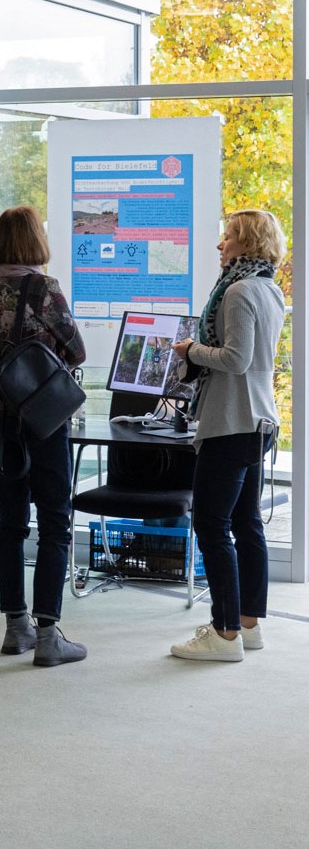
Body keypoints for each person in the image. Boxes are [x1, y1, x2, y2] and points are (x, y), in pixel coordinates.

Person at [0, 205, 87, 667]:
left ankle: (15, 628)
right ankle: (49, 635)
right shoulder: (44, 288)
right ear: (35, 241)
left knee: (10, 524)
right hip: (43, 419)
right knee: (55, 521)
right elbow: (77, 350)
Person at [168, 209, 287, 662]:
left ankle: (224, 633)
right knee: (245, 523)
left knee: (212, 525)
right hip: (259, 422)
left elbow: (235, 359)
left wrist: (189, 350)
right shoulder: (268, 288)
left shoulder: (236, 291)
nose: (221, 244)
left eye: (229, 237)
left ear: (248, 243)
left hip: (231, 422)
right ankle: (249, 625)